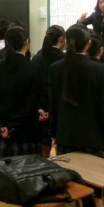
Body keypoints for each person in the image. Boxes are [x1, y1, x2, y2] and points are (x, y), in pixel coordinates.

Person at [49, 24, 104, 158]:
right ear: (89, 43)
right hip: (92, 137)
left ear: (66, 41)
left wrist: (53, 134)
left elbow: (53, 104)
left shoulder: (55, 68)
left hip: (64, 134)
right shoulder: (100, 69)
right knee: (91, 172)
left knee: (66, 171)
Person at [0, 26, 43, 159]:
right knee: (28, 171)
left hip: (2, 133)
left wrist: (0, 125)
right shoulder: (34, 69)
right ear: (26, 42)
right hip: (25, 133)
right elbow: (31, 106)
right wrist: (11, 127)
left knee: (2, 170)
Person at [31, 25, 65, 157]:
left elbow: (34, 86)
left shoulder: (37, 57)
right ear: (61, 39)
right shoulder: (64, 59)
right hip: (59, 109)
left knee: (43, 150)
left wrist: (40, 107)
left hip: (41, 109)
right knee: (62, 153)